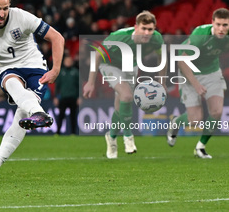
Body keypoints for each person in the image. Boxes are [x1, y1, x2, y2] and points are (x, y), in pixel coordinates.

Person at [0, 0, 64, 179]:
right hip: (8, 68)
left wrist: (55, 70)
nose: (2, 13)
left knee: (22, 115)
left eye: (5, 8)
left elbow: (57, 37)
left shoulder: (21, 16)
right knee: (12, 83)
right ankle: (39, 114)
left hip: (35, 66)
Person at [83, 11, 166, 159]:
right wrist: (90, 82)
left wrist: (162, 82)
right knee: (127, 96)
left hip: (131, 66)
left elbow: (162, 58)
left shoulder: (157, 39)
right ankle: (128, 137)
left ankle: (111, 137)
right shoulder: (120, 37)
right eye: (144, 29)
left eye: (150, 29)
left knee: (120, 108)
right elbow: (97, 54)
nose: (147, 33)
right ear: (136, 27)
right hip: (110, 65)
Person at [166, 8, 229, 159]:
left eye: (225, 25)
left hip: (212, 72)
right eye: (218, 24)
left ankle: (200, 147)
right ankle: (175, 123)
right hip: (189, 72)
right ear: (212, 23)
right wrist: (196, 84)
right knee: (195, 120)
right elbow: (181, 60)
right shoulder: (200, 36)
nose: (221, 29)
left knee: (216, 112)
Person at [54, 55, 80, 135]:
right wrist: (55, 97)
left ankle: (73, 133)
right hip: (63, 97)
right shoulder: (61, 72)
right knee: (61, 115)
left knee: (73, 116)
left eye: (69, 61)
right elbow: (57, 86)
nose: (68, 63)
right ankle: (58, 132)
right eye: (66, 61)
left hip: (73, 97)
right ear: (64, 62)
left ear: (71, 62)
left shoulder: (75, 72)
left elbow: (79, 85)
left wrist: (79, 97)